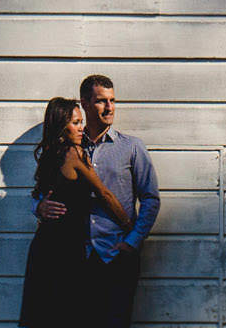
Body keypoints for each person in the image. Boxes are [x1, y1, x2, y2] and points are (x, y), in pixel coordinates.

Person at [35, 74, 160, 328]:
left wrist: (132, 241)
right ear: (85, 103)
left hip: (116, 253)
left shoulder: (132, 147)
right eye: (102, 101)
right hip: (75, 258)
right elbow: (42, 190)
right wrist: (38, 207)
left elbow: (150, 199)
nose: (110, 107)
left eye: (113, 100)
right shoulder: (67, 148)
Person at [17, 96, 131, 328]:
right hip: (63, 248)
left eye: (81, 122)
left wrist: (39, 207)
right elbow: (104, 194)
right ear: (61, 126)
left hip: (48, 246)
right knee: (69, 314)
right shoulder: (73, 154)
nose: (82, 127)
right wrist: (130, 227)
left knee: (49, 315)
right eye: (76, 123)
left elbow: (42, 194)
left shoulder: (50, 154)